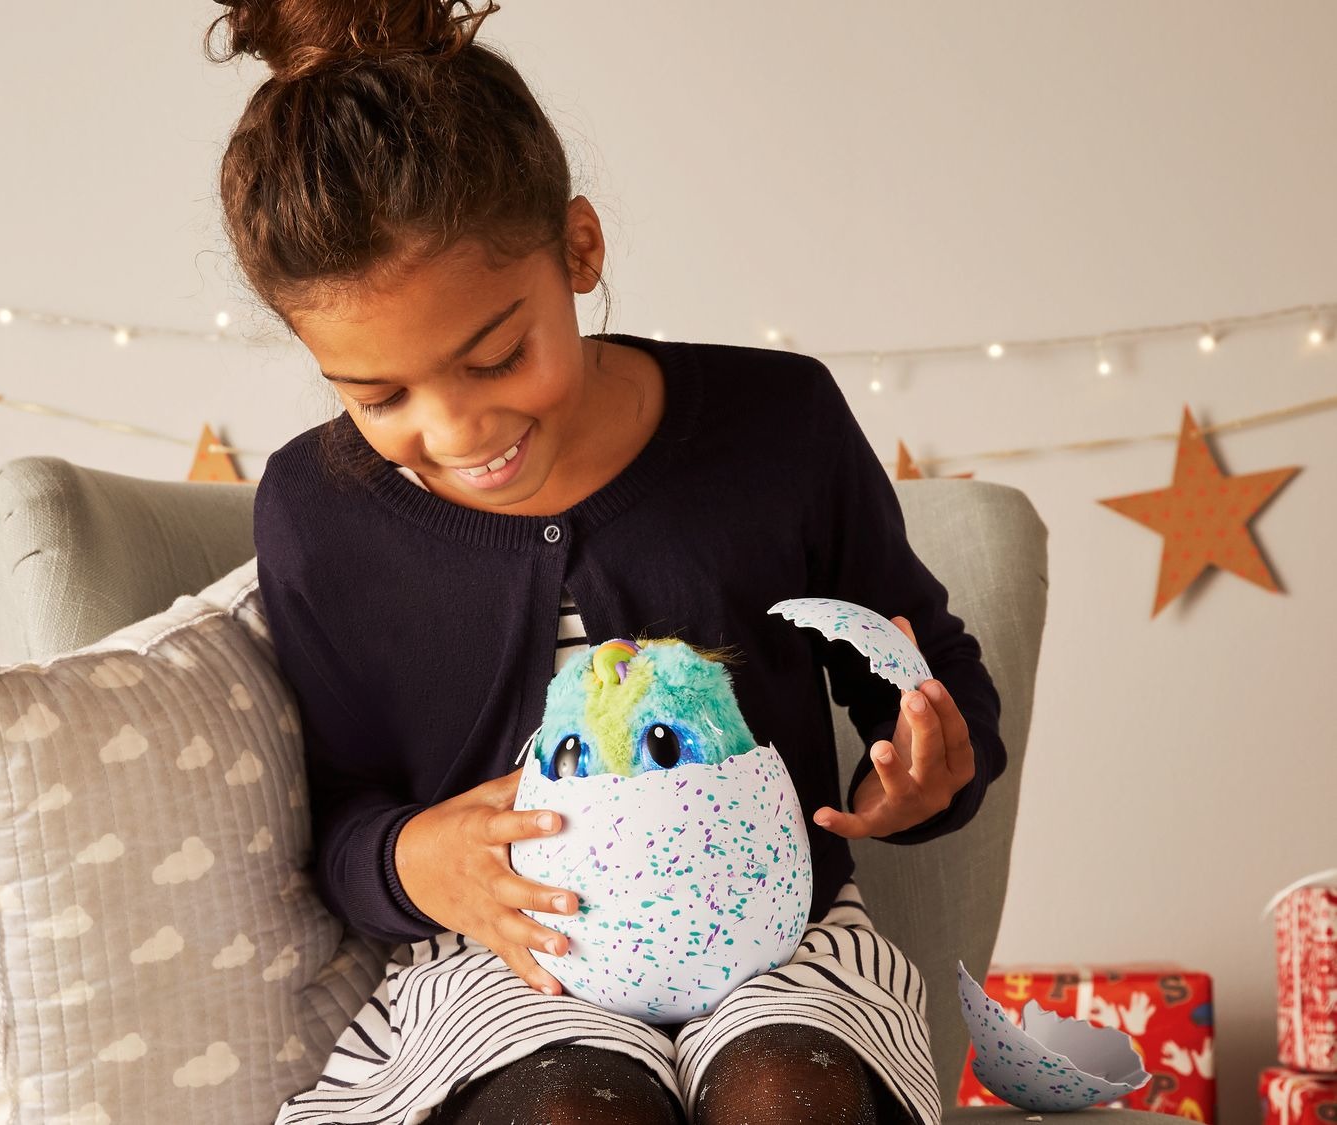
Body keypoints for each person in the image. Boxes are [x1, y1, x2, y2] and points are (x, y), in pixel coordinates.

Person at [207, 3, 1007, 1122]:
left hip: (776, 943)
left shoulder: (778, 424)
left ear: (579, 248)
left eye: (497, 357)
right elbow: (335, 815)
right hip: (505, 956)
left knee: (788, 1097)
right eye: (379, 398)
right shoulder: (316, 508)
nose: (457, 431)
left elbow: (920, 676)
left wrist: (921, 772)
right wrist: (410, 859)